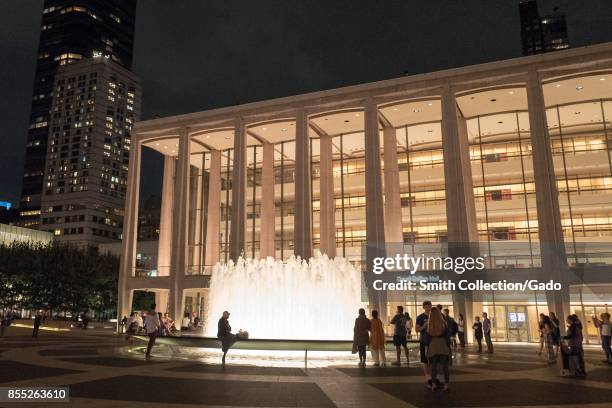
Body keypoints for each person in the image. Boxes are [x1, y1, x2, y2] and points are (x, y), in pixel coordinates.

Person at [427, 307, 451, 391]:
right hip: (442, 344)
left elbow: (428, 337)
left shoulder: (429, 323)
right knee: (445, 366)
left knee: (433, 366)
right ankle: (446, 384)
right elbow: (448, 335)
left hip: (433, 345)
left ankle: (433, 384)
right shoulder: (443, 323)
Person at [415, 300, 433, 387]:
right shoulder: (420, 317)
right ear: (424, 307)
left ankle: (434, 377)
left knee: (434, 360)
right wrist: (424, 326)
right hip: (424, 340)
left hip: (433, 341)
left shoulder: (435, 316)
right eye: (427, 306)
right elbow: (417, 329)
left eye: (430, 306)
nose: (429, 308)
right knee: (425, 360)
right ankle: (428, 378)